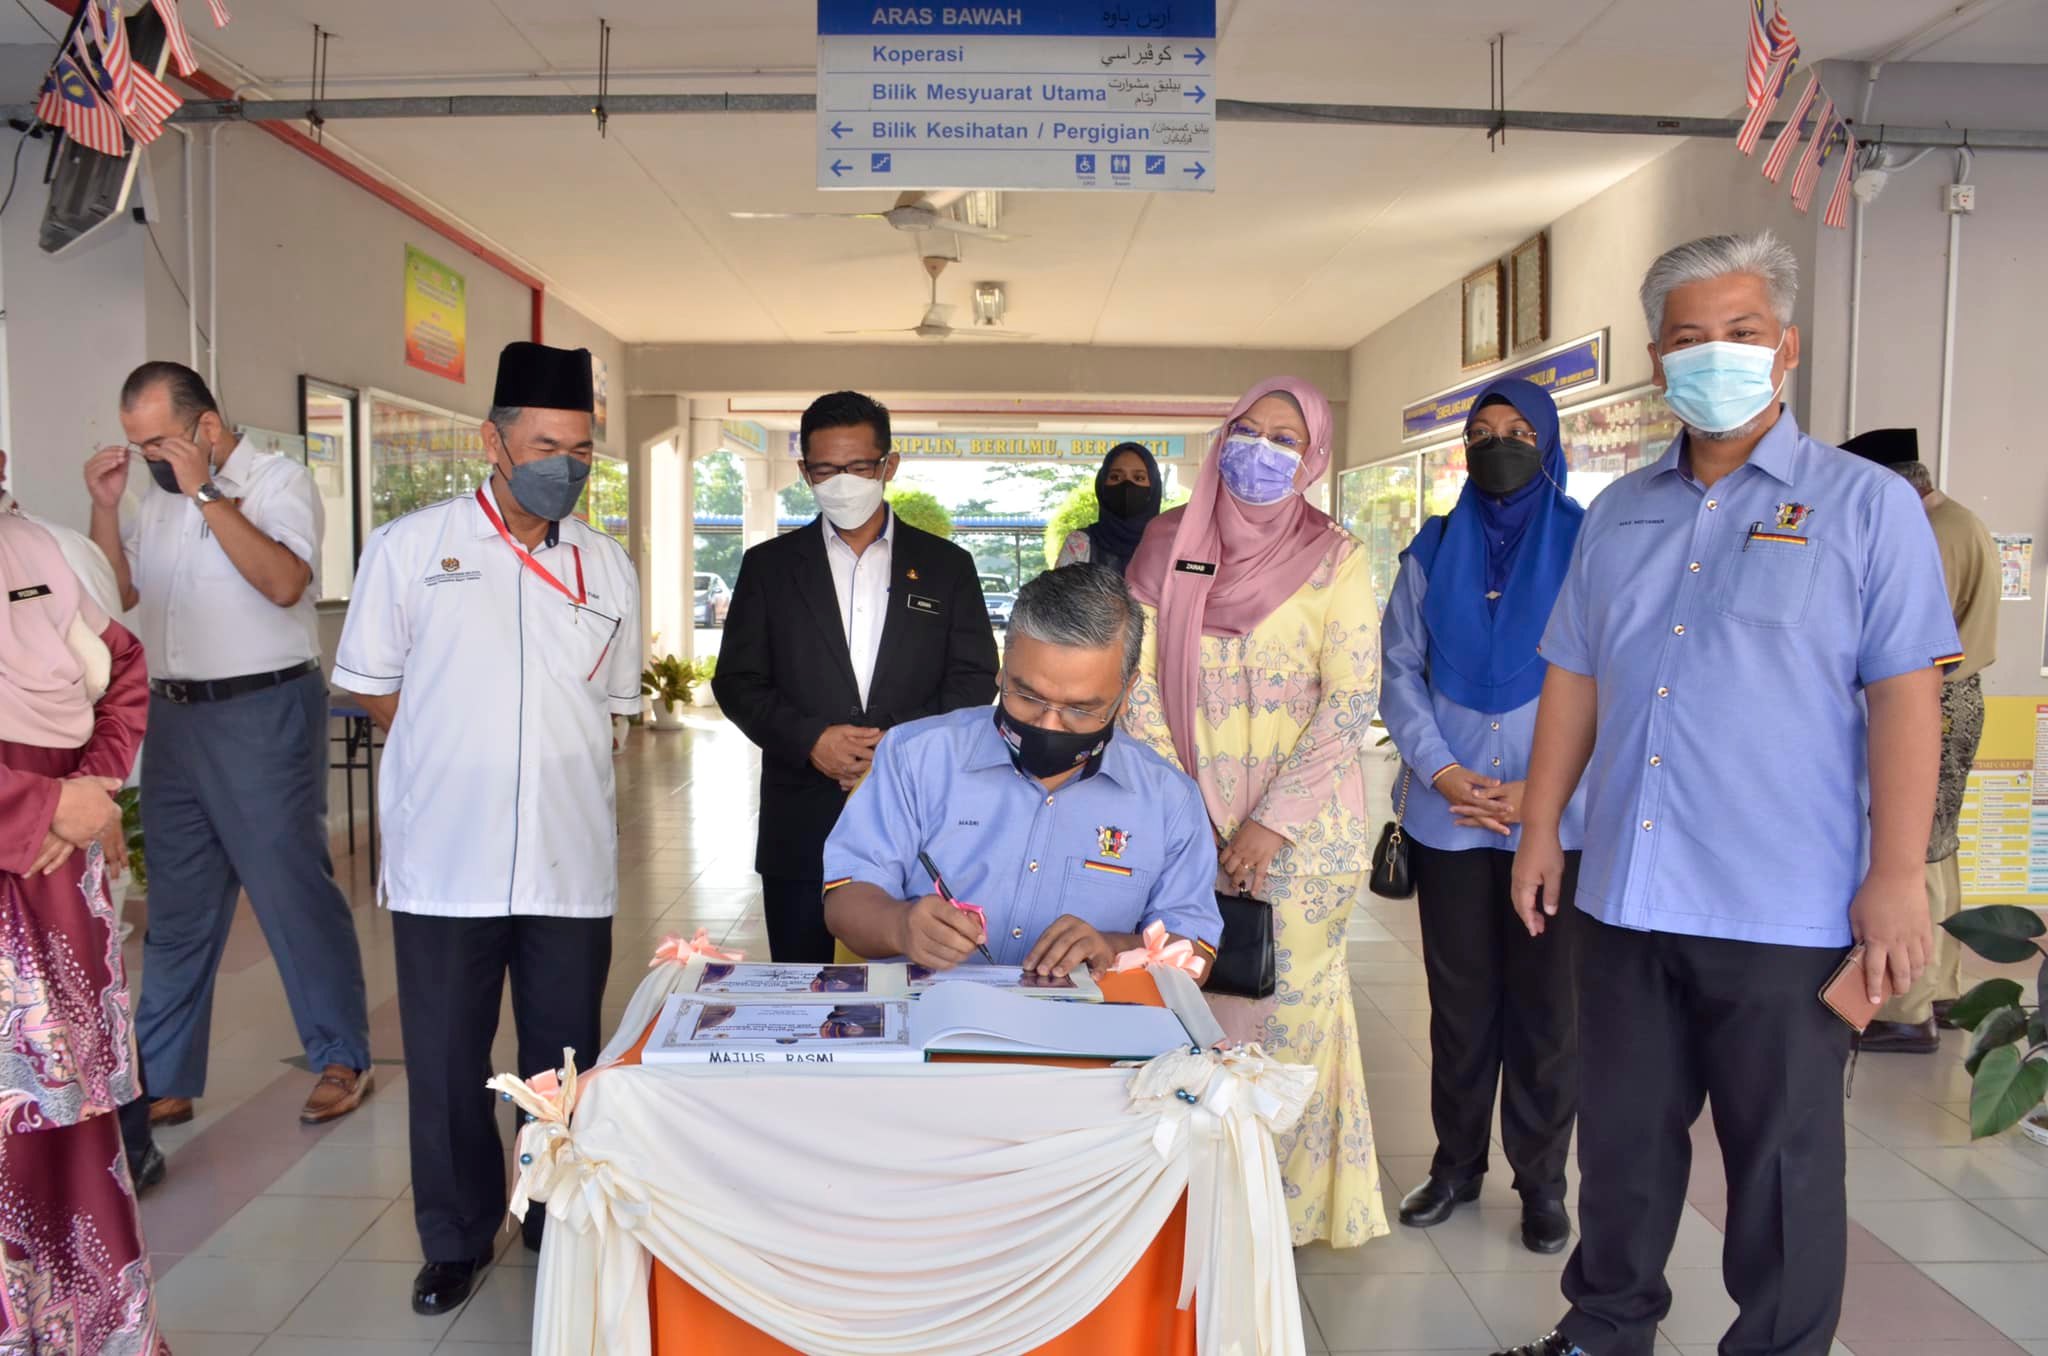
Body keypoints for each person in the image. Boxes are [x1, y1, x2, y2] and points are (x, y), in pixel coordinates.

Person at [1493, 232, 1957, 1356]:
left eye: (1741, 335)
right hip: (1628, 897)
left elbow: (1906, 699)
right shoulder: (1618, 514)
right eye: (1690, 338)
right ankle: (1603, 1332)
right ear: (1657, 359)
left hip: (1784, 907)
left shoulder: (1862, 507)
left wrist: (1896, 877)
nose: (1717, 356)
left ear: (1784, 350)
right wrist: (1541, 827)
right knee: (1619, 1146)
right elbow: (1572, 676)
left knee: (1783, 1165)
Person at [333, 341, 643, 1316]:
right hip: (444, 863)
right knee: (446, 1057)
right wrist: (456, 750)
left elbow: (620, 707)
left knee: (560, 1059)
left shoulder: (607, 565)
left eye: (582, 448)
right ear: (494, 442)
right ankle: (457, 1238)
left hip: (566, 861)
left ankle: (556, 1222)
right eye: (547, 443)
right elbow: (375, 691)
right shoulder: (411, 549)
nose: (567, 464)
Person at [1125, 377, 1389, 1250]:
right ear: (1223, 431)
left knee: (1294, 1018)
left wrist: (1270, 823)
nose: (1264, 449)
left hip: (1304, 842)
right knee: (1193, 1010)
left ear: (1313, 456)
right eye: (1250, 429)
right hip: (1184, 832)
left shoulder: (1337, 557)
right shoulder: (1167, 544)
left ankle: (1286, 1211)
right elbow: (1138, 691)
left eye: (1287, 437)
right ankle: (1200, 1201)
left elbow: (1352, 699)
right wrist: (1190, 823)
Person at [83, 362, 373, 1135]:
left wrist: (207, 491)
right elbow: (116, 594)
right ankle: (165, 1077)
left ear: (206, 427)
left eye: (159, 441)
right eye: (136, 445)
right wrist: (107, 510)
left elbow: (283, 583)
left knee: (289, 891)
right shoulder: (157, 499)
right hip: (176, 718)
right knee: (177, 908)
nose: (147, 457)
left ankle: (342, 1054)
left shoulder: (279, 483)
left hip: (262, 709)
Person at [1379, 378, 1587, 1255]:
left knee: (1547, 1012)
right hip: (1449, 819)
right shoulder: (1431, 549)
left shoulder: (1591, 545)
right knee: (1461, 1006)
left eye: (1517, 432)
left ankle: (1542, 1183)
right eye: (1481, 432)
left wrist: (1547, 790)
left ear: (1548, 444)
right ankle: (1456, 1165)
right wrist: (1446, 770)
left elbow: (1612, 679)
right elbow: (1398, 670)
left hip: (1559, 821)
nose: (1498, 445)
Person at [714, 391, 998, 963]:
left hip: (918, 820)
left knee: (913, 985)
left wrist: (895, 746)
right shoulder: (769, 568)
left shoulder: (946, 567)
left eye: (858, 467)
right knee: (802, 990)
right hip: (801, 823)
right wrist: (810, 739)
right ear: (804, 472)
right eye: (824, 469)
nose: (841, 481)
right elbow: (738, 680)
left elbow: (974, 676)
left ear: (888, 466)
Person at [825, 564, 1221, 974]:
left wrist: (1113, 947)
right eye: (1027, 696)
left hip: (1084, 1034)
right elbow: (845, 899)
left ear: (1126, 694)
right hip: (934, 1022)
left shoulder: (1169, 800)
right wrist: (902, 927)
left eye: (1080, 709)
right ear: (1002, 667)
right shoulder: (916, 757)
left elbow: (1197, 953)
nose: (1048, 725)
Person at [0, 513, 168, 1352]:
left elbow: (125, 665)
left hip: (54, 894)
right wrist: (37, 807)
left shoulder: (34, 548)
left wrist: (91, 781)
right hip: (26, 851)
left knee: (67, 1146)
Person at [1844, 426, 1999, 1054]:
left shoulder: (1927, 535)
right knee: (1941, 842)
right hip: (1962, 696)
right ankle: (1944, 988)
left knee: (1913, 847)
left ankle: (1906, 1007)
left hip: (1930, 701)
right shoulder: (1964, 521)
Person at [1056, 441, 1163, 574]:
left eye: (1139, 478)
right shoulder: (1079, 543)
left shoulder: (1171, 544)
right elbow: (1059, 594)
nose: (1127, 485)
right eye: (1115, 477)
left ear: (1154, 488)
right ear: (1102, 486)